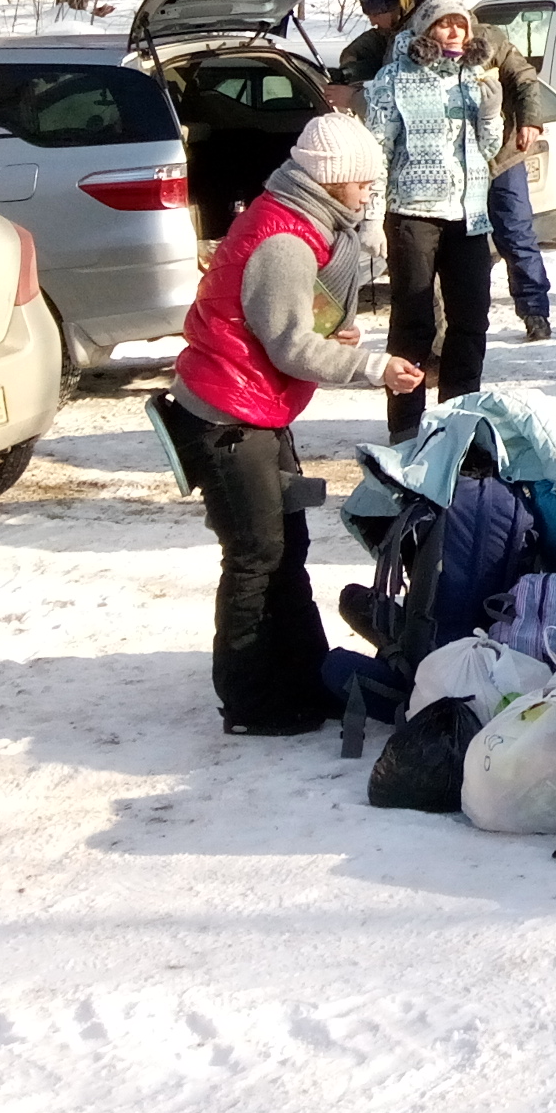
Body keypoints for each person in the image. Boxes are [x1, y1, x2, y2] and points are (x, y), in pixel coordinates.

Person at [152, 111, 422, 735]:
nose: (367, 193)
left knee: (288, 549)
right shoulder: (286, 240)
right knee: (255, 557)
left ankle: (306, 674)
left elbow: (283, 326)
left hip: (256, 409)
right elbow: (289, 347)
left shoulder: (301, 219)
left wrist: (331, 330)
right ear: (329, 180)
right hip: (226, 417)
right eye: (360, 182)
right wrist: (371, 366)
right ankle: (249, 700)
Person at [340, 0, 556, 344]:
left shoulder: (486, 38)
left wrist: (529, 120)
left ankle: (535, 310)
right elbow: (369, 85)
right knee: (440, 274)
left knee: (515, 234)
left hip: (500, 156)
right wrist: (356, 89)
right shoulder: (400, 44)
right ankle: (435, 345)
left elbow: (523, 78)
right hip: (444, 180)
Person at [362, 0, 505, 441]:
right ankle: (406, 427)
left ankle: (459, 424)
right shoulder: (393, 80)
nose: (455, 33)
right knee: (414, 320)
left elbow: (487, 151)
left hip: (469, 216)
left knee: (471, 318)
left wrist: (493, 113)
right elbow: (376, 149)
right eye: (445, 24)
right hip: (412, 213)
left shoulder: (473, 78)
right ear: (425, 29)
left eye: (461, 25)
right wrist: (370, 215)